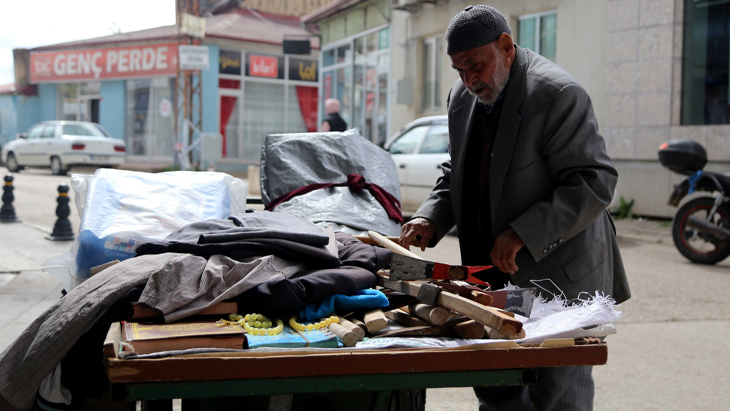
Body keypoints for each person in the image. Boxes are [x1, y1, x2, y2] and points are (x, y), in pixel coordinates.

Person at [398, 5, 631, 411]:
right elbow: (458, 171)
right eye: (459, 70)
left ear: (505, 47)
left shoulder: (557, 93)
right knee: (496, 381)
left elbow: (593, 180)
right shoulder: (461, 97)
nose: (469, 80)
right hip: (492, 274)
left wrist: (524, 231)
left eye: (476, 65)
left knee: (556, 390)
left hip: (561, 274)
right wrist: (428, 217)